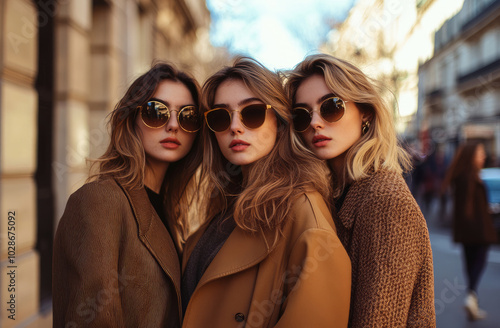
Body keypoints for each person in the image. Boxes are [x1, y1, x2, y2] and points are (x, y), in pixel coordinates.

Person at [181, 57, 351, 328]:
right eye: (221, 117)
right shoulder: (226, 207)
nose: (235, 126)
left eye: (252, 113)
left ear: (280, 122)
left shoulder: (303, 215)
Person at [285, 54, 436, 327]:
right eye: (301, 114)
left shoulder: (385, 202)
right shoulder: (333, 194)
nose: (315, 122)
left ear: (365, 111)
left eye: (331, 107)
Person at [52, 63, 203, 327]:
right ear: (132, 119)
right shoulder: (100, 201)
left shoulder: (170, 211)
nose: (173, 125)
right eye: (157, 112)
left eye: (188, 116)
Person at [442, 141, 498, 321]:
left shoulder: (460, 176)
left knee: (470, 263)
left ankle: (472, 298)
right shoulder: (471, 177)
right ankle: (471, 295)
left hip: (466, 231)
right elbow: (473, 208)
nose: (483, 156)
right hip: (479, 230)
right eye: (480, 153)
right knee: (479, 261)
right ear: (471, 155)